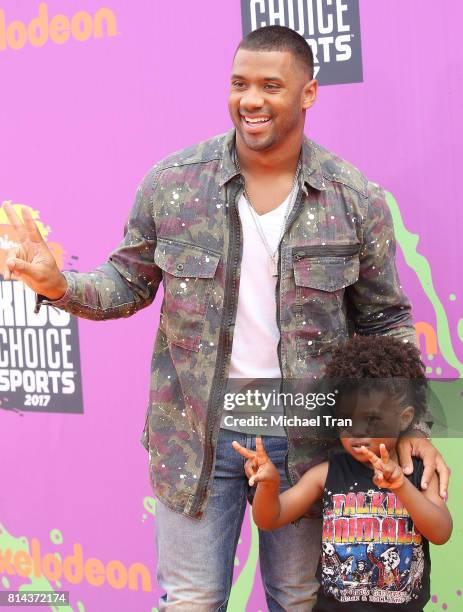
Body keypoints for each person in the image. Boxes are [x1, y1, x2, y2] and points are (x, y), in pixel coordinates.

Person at [2, 24, 450, 612]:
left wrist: (412, 426)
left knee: (300, 600)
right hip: (195, 436)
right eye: (240, 84)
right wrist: (59, 285)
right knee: (191, 600)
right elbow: (126, 283)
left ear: (309, 93)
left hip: (309, 439)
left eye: (271, 85)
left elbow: (387, 321)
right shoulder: (174, 184)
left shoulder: (353, 198)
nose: (251, 100)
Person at [232, 335, 453, 611]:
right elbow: (270, 518)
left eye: (372, 420)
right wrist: (268, 485)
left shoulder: (417, 470)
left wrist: (401, 487)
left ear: (405, 418)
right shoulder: (326, 474)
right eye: (347, 420)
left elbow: (441, 531)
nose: (358, 431)